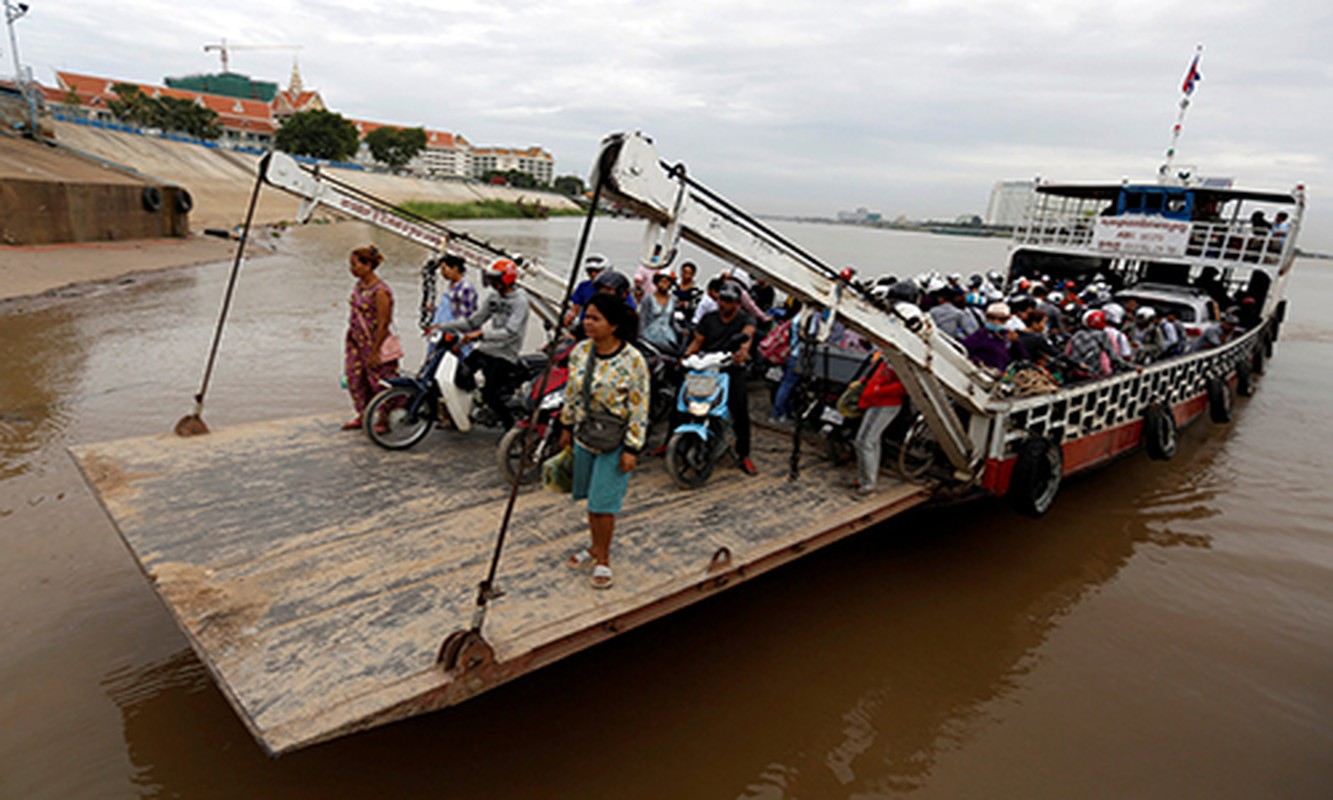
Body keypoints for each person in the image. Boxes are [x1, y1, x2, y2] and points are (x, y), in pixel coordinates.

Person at [561, 293, 650, 590]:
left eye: (595, 318)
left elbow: (639, 407)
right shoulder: (580, 352)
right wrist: (566, 427)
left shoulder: (633, 360)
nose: (587, 322)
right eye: (586, 316)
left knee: (604, 503)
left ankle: (604, 559)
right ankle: (595, 546)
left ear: (614, 325)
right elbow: (571, 393)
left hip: (615, 440)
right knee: (591, 499)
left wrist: (632, 448)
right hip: (586, 434)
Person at [437, 258, 530, 430]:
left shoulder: (520, 301)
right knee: (460, 374)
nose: (493, 283)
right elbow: (474, 321)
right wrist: (442, 326)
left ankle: (511, 428)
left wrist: (480, 334)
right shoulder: (494, 297)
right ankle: (468, 409)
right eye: (491, 279)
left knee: (490, 394)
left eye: (496, 279)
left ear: (506, 278)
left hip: (506, 352)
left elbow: (511, 332)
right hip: (488, 348)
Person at [685, 281, 758, 475]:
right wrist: (686, 356)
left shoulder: (746, 319)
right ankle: (671, 442)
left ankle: (744, 455)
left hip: (731, 368)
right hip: (708, 367)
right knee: (684, 399)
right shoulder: (709, 318)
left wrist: (742, 353)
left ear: (737, 303)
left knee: (740, 409)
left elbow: (747, 338)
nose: (724, 304)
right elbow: (697, 341)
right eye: (722, 299)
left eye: (729, 301)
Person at [343, 245, 399, 429]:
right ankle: (363, 414)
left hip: (375, 342)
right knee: (355, 378)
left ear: (368, 266)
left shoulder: (380, 291)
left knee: (379, 382)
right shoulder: (359, 285)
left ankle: (383, 419)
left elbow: (384, 323)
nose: (352, 269)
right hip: (356, 341)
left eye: (355, 265)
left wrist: (375, 352)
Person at [852, 352, 906, 499]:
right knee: (871, 441)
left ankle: (868, 485)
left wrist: (877, 391)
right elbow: (878, 372)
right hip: (878, 401)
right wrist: (864, 382)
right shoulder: (889, 356)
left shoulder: (902, 360)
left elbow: (905, 385)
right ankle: (866, 479)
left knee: (865, 441)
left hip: (884, 403)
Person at [962, 302, 1027, 372]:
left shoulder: (1007, 337)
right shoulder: (981, 335)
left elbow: (1021, 357)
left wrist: (1015, 342)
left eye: (1001, 319)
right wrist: (976, 361)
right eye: (992, 318)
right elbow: (962, 348)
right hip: (980, 373)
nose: (996, 322)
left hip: (996, 376)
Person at [564, 253, 608, 328]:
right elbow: (574, 309)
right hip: (585, 327)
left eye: (597, 271)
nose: (593, 274)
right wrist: (567, 320)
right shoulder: (583, 286)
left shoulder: (615, 288)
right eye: (590, 271)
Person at [639, 271, 679, 351]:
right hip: (650, 337)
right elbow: (642, 319)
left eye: (667, 282)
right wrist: (641, 338)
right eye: (662, 281)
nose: (664, 284)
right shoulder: (648, 299)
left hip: (668, 337)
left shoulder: (674, 299)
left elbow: (672, 320)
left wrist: (681, 330)